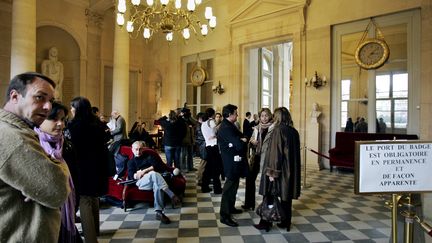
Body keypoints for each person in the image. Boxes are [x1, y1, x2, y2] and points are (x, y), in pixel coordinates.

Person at [0, 72, 70, 242]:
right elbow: (58, 190)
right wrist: (58, 167)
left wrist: (42, 180)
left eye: (51, 101)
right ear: (15, 96)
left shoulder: (19, 131)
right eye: (40, 97)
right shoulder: (14, 138)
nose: (48, 107)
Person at [35, 101, 82, 243]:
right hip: (42, 219)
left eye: (62, 119)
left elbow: (75, 179)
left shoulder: (66, 146)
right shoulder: (32, 146)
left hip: (65, 217)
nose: (60, 124)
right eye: (54, 119)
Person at [67, 96, 110, 243]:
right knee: (94, 197)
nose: (71, 110)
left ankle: (91, 238)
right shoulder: (97, 123)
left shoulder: (75, 125)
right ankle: (95, 230)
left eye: (72, 107)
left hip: (83, 166)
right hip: (98, 165)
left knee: (85, 199)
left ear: (78, 109)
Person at [254, 107, 301, 232]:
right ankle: (286, 222)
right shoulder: (293, 131)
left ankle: (265, 222)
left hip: (278, 170)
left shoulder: (278, 130)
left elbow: (276, 153)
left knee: (268, 195)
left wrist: (272, 173)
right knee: (286, 197)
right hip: (290, 170)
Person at [129, 141, 181, 224]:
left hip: (154, 179)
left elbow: (156, 165)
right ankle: (171, 194)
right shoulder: (131, 162)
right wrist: (139, 174)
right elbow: (132, 176)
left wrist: (143, 171)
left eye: (140, 149)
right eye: (136, 149)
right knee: (153, 174)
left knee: (157, 184)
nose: (138, 151)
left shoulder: (149, 156)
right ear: (132, 150)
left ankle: (159, 213)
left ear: (143, 149)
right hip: (142, 183)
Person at [217, 104, 248, 227]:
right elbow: (240, 144)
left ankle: (230, 208)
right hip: (230, 162)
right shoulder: (226, 127)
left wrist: (242, 140)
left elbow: (243, 136)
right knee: (228, 188)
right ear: (229, 114)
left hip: (235, 160)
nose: (237, 115)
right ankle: (224, 215)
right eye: (236, 113)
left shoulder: (230, 125)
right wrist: (242, 141)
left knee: (234, 186)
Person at [242, 108, 274, 211]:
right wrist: (252, 141)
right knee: (250, 178)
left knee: (266, 182)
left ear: (270, 116)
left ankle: (267, 206)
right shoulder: (256, 128)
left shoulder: (274, 128)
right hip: (256, 156)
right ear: (259, 117)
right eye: (262, 116)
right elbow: (251, 139)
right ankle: (249, 203)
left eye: (266, 115)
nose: (264, 118)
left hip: (268, 158)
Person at [200, 108, 223, 194]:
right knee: (216, 168)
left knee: (208, 168)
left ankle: (204, 187)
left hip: (208, 146)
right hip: (213, 146)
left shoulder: (203, 123)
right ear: (212, 114)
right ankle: (217, 189)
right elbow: (216, 130)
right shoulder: (211, 121)